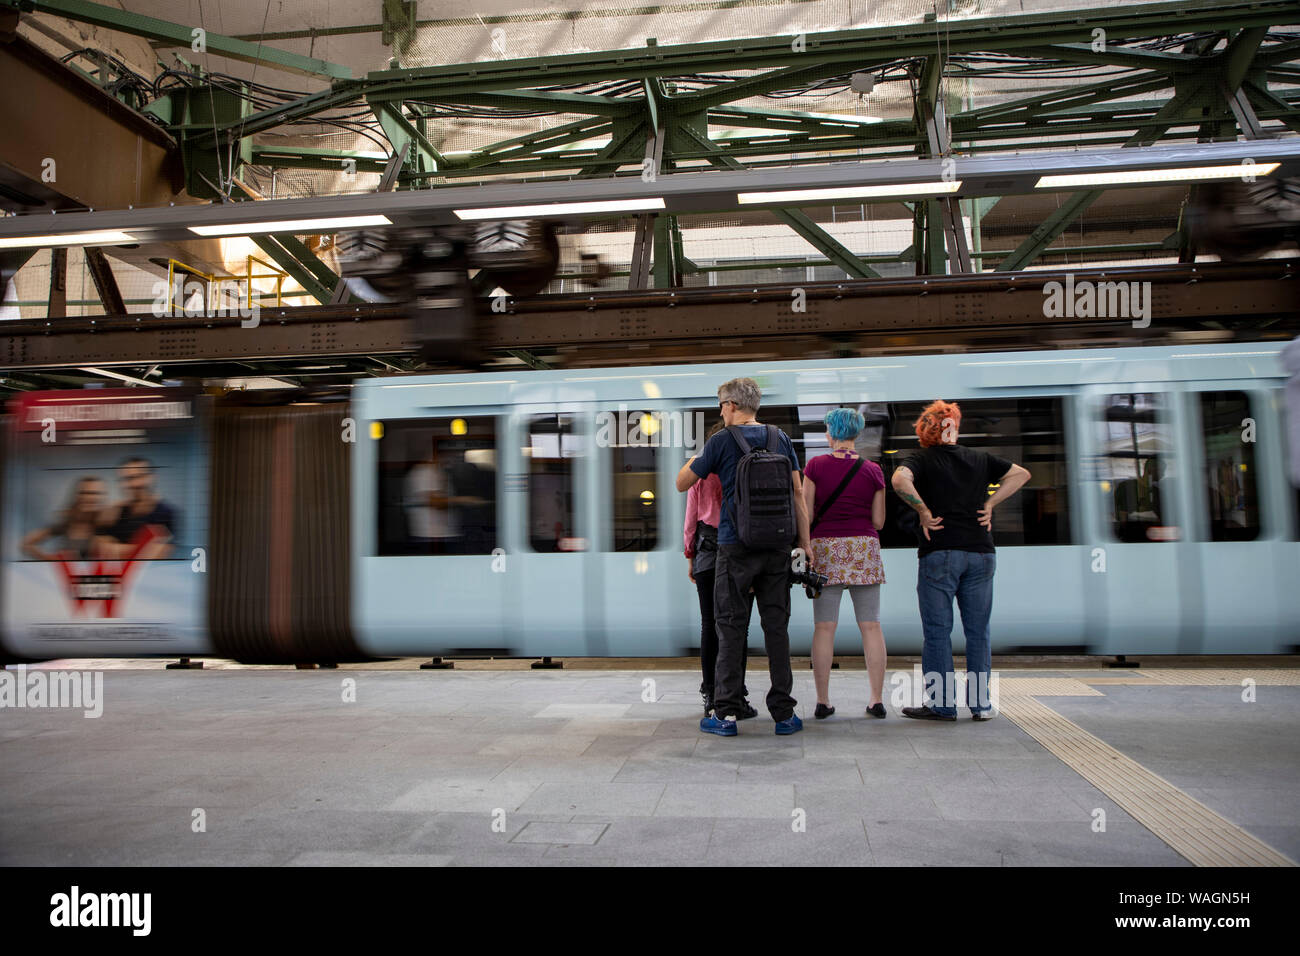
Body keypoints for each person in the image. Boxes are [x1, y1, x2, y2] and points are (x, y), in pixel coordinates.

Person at [676, 377, 812, 737]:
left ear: (733, 405)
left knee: (730, 628)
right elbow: (798, 494)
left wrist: (698, 460)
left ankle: (726, 713)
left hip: (735, 547)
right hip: (777, 548)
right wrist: (806, 543)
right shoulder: (779, 438)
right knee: (776, 630)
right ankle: (784, 714)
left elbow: (681, 483)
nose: (720, 411)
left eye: (721, 404)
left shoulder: (720, 441)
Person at [890, 400, 1030, 721]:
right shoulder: (980, 458)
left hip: (940, 553)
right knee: (978, 631)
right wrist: (991, 504)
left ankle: (942, 704)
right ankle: (980, 705)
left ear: (926, 430)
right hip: (981, 553)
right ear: (955, 426)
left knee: (938, 631)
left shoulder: (921, 458)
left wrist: (923, 512)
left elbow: (899, 481)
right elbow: (1020, 474)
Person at [802, 408, 888, 719]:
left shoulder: (815, 466)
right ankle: (876, 700)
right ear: (856, 433)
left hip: (825, 548)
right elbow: (878, 521)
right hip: (864, 548)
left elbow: (807, 514)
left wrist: (805, 544)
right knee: (871, 625)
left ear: (831, 433)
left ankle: (823, 702)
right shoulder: (873, 470)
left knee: (824, 627)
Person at [683, 422, 755, 718]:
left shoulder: (699, 471)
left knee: (709, 624)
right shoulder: (742, 467)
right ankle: (736, 694)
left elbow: (691, 518)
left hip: (707, 552)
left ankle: (711, 693)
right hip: (741, 550)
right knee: (737, 625)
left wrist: (689, 554)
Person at [101, 458, 177, 560]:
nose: (135, 484)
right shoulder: (115, 512)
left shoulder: (166, 512)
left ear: (152, 477)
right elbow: (103, 552)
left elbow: (159, 555)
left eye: (140, 476)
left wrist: (120, 550)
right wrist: (143, 549)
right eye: (128, 479)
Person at [22, 476, 110, 561]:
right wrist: (51, 559)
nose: (88, 498)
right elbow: (27, 544)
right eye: (83, 493)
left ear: (101, 496)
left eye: (94, 493)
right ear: (76, 496)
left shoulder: (109, 521)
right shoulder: (67, 521)